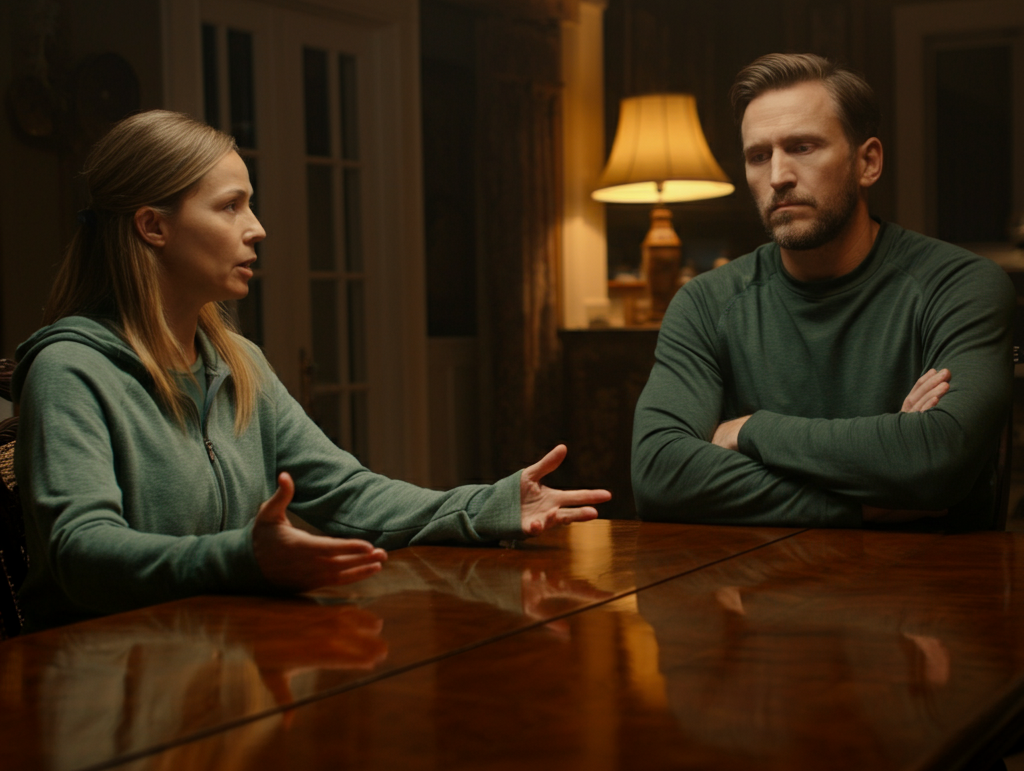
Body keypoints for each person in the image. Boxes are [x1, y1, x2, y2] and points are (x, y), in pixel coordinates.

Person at [12, 110, 610, 631]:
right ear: (153, 226)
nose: (257, 227)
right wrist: (243, 558)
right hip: (101, 675)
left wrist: (490, 506)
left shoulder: (238, 363)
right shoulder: (71, 370)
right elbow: (81, 553)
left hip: (220, 653)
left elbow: (348, 495)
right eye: (230, 206)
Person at [632, 53, 1015, 529]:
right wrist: (867, 499)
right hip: (754, 574)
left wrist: (749, 430)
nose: (778, 176)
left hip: (930, 573)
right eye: (759, 156)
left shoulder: (959, 285)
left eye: (803, 147)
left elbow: (937, 458)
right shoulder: (706, 303)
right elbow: (661, 474)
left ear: (868, 162)